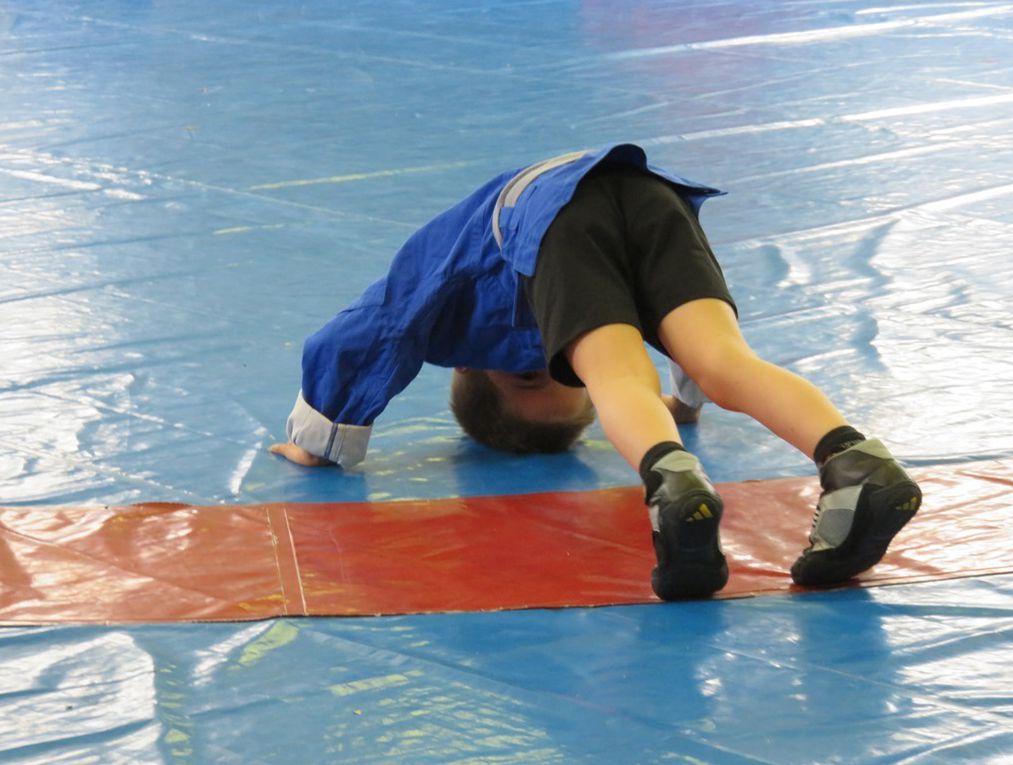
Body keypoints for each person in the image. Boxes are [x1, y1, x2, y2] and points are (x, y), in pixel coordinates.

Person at [270, 143, 921, 600]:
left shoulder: (448, 314)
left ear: (474, 366)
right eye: (567, 382)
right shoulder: (547, 333)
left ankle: (671, 484)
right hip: (650, 193)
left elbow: (370, 327)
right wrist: (687, 399)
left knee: (618, 377)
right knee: (725, 362)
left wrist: (320, 436)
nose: (557, 368)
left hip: (551, 214)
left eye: (533, 376)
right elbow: (686, 350)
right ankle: (853, 461)